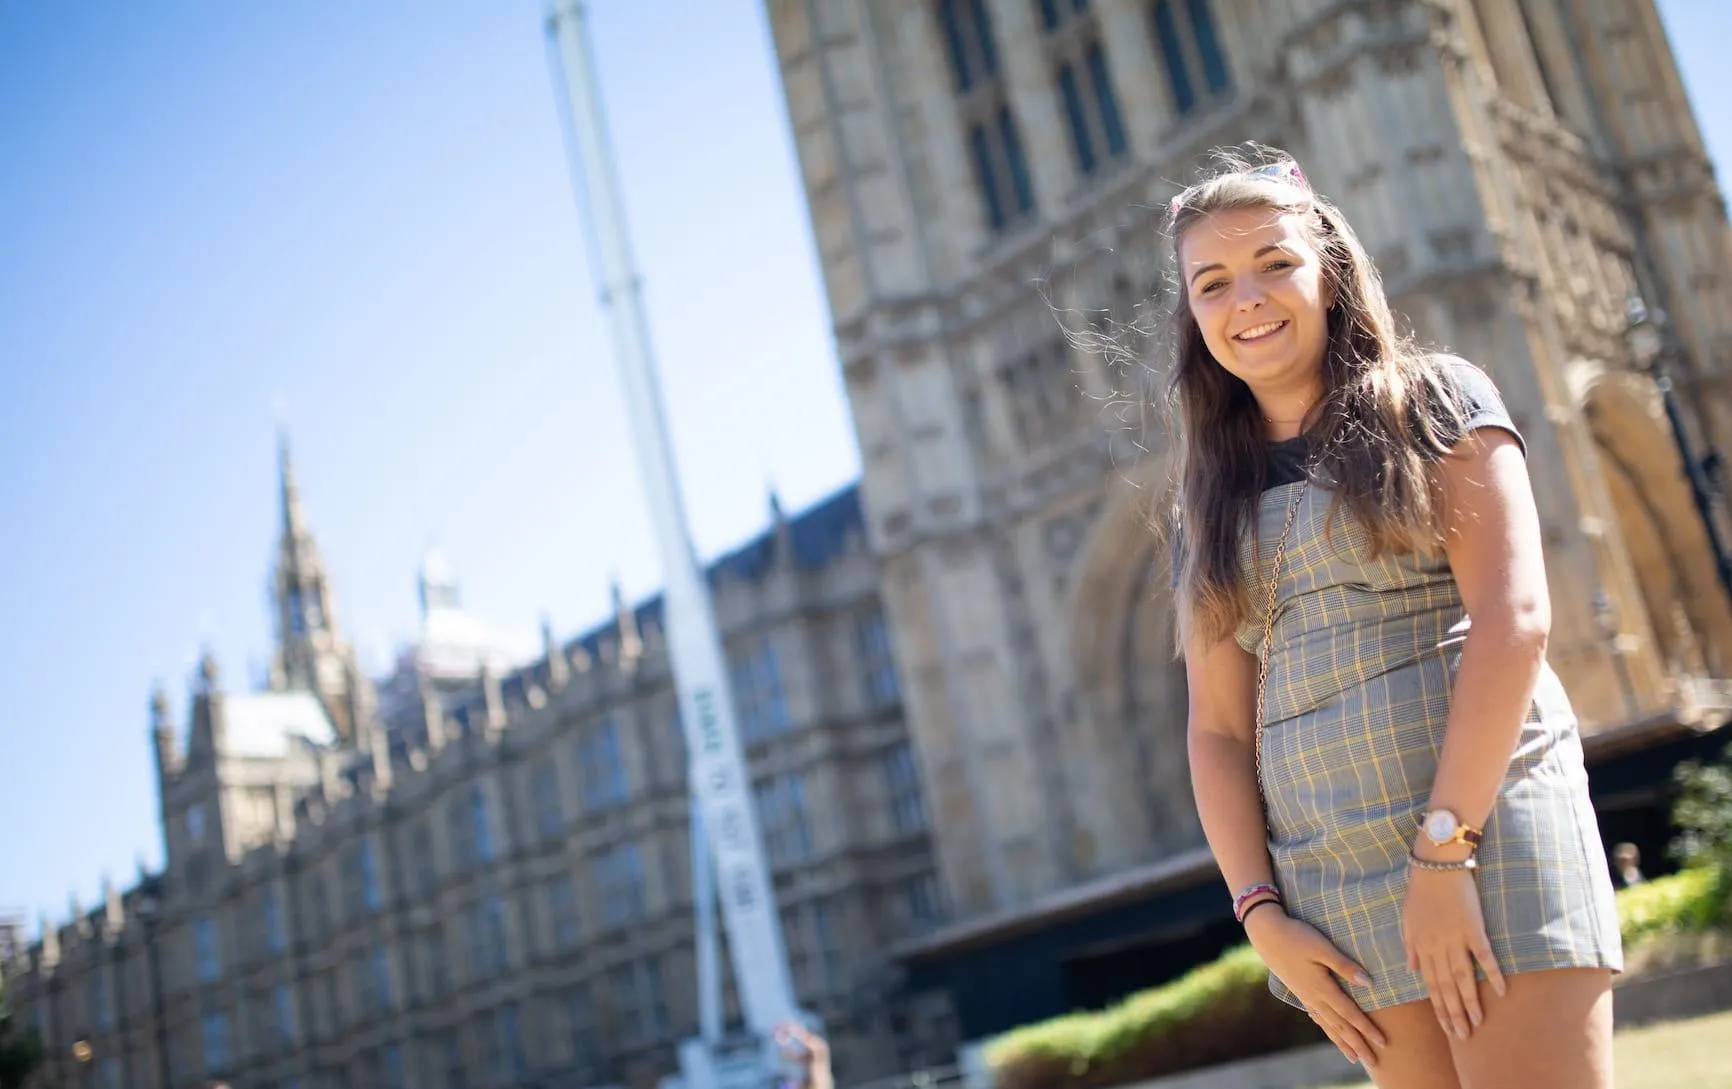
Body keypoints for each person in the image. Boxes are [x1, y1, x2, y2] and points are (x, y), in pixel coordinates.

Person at [1166, 149, 1622, 1089]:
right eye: (1212, 282)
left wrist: (1445, 852)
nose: (1245, 297)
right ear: (1193, 315)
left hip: (1484, 834)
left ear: (1329, 270)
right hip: (1333, 887)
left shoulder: (1436, 397)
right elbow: (1215, 730)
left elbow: (1515, 617)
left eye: (1275, 263)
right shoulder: (1209, 502)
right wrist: (1260, 915)